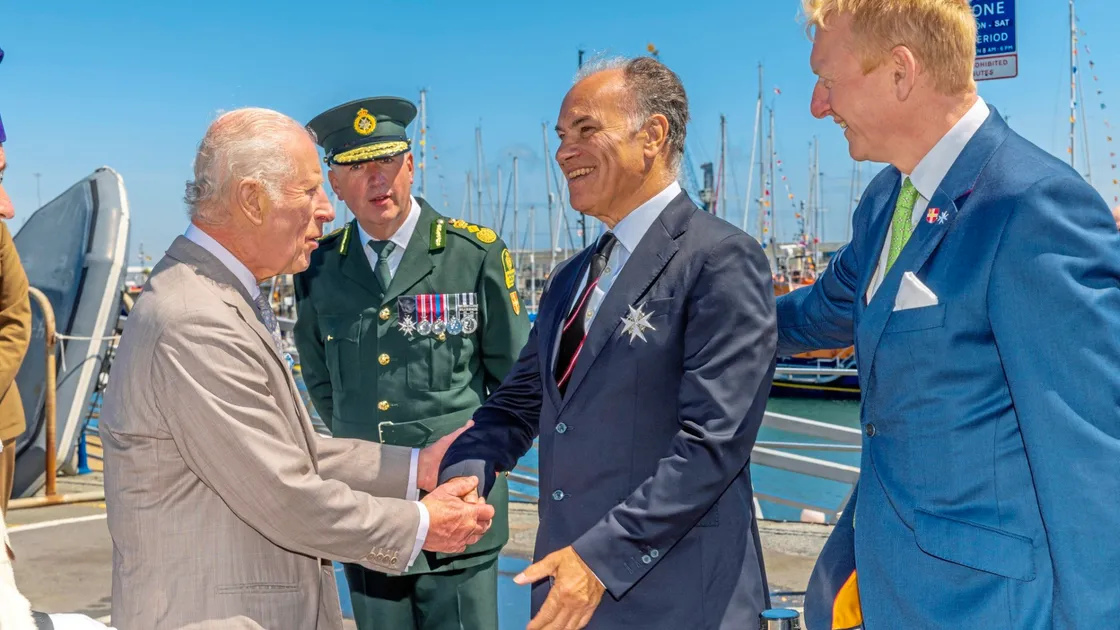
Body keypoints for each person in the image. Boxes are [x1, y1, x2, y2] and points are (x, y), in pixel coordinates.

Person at [783, 1, 1120, 627]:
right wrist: (695, 320)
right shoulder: (887, 197)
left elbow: (1093, 466)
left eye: (828, 81)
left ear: (901, 73)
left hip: (990, 608)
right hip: (890, 592)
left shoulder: (1032, 207)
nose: (818, 106)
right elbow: (823, 310)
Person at [98, 107, 495, 630]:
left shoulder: (210, 294)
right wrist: (423, 525)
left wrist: (414, 467)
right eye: (309, 191)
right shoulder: (195, 319)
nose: (327, 210)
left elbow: (287, 451)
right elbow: (283, 493)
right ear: (251, 199)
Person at [440, 57, 777, 629]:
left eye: (586, 130)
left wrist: (597, 561)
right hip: (563, 586)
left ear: (652, 136)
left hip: (677, 598)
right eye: (561, 137)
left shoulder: (720, 258)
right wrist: (467, 469)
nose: (563, 152)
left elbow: (712, 443)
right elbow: (523, 400)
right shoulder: (571, 278)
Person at [293, 96, 530, 630]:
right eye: (357, 169)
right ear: (335, 182)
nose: (377, 182)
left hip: (460, 505)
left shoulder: (475, 255)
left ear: (410, 165)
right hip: (370, 512)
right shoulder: (317, 268)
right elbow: (321, 383)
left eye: (386, 163)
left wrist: (475, 464)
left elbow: (515, 385)